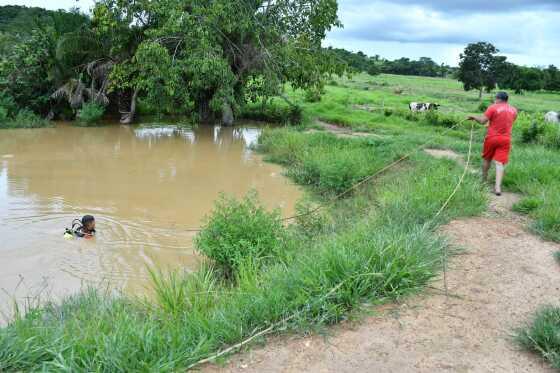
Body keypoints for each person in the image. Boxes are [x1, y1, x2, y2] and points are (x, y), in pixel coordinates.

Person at [467, 91, 517, 196]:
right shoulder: (514, 110)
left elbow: (482, 121)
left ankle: (484, 181)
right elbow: (507, 123)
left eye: (495, 98)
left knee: (487, 159)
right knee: (499, 163)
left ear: (498, 98)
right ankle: (497, 188)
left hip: (492, 138)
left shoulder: (493, 107)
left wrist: (474, 117)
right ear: (506, 100)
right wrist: (492, 125)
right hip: (505, 139)